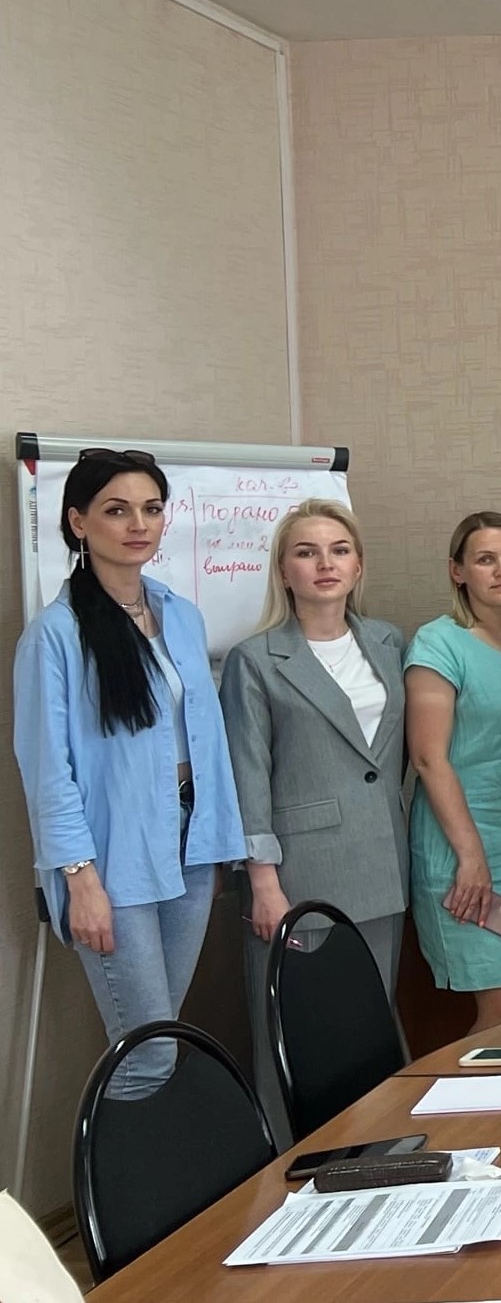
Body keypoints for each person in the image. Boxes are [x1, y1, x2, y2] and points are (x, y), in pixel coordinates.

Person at [14, 451, 244, 1098]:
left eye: (151, 509)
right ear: (78, 522)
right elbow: (46, 769)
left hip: (189, 844)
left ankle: (156, 1164)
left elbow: (206, 740)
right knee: (147, 1055)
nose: (138, 524)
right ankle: (109, 1166)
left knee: (163, 1033)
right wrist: (79, 879)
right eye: (117, 510)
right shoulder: (55, 635)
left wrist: (215, 841)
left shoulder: (180, 614)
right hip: (113, 860)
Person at [222, 500, 407, 1131]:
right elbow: (247, 775)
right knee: (299, 1033)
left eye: (339, 550)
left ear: (358, 566)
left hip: (382, 861)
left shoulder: (388, 642)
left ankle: (375, 1154)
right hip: (301, 872)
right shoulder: (256, 659)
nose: (325, 563)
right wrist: (263, 883)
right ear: (284, 571)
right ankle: (290, 1166)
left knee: (369, 1024)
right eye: (306, 552)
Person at [405, 512, 501, 1031]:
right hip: (466, 848)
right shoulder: (440, 643)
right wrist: (471, 856)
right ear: (458, 571)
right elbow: (427, 758)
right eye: (485, 559)